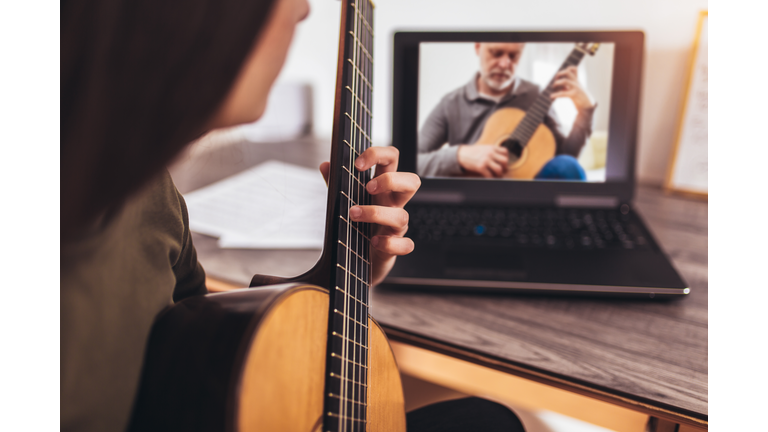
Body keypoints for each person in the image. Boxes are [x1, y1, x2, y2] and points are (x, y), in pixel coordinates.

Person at [61, 0, 526, 431]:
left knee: (489, 421)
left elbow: (196, 344)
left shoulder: (147, 190)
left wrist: (340, 274)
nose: (303, 9)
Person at [418, 42, 596, 180]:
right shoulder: (451, 103)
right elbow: (413, 162)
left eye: (513, 56)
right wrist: (459, 155)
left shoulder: (537, 96)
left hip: (527, 197)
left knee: (567, 166)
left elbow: (565, 159)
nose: (504, 63)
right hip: (473, 197)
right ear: (478, 47)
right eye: (496, 53)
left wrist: (585, 111)